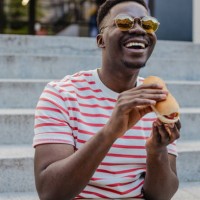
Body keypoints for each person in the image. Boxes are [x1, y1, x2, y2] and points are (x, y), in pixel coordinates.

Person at [33, 0, 181, 199]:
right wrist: (110, 132)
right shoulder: (61, 95)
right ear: (101, 39)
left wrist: (157, 152)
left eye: (148, 24)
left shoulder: (157, 99)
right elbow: (50, 192)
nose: (139, 29)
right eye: (124, 22)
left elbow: (161, 196)